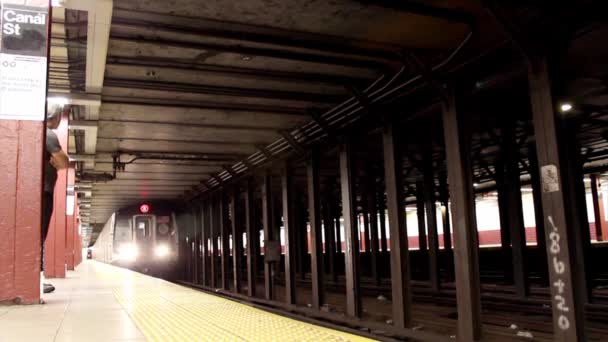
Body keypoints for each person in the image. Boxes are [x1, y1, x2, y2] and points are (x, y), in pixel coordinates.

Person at [42, 105, 69, 295]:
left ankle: (38, 278)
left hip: (41, 191)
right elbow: (63, 161)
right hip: (43, 192)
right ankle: (36, 279)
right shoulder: (48, 133)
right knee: (39, 234)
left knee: (38, 235)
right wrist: (57, 162)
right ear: (56, 116)